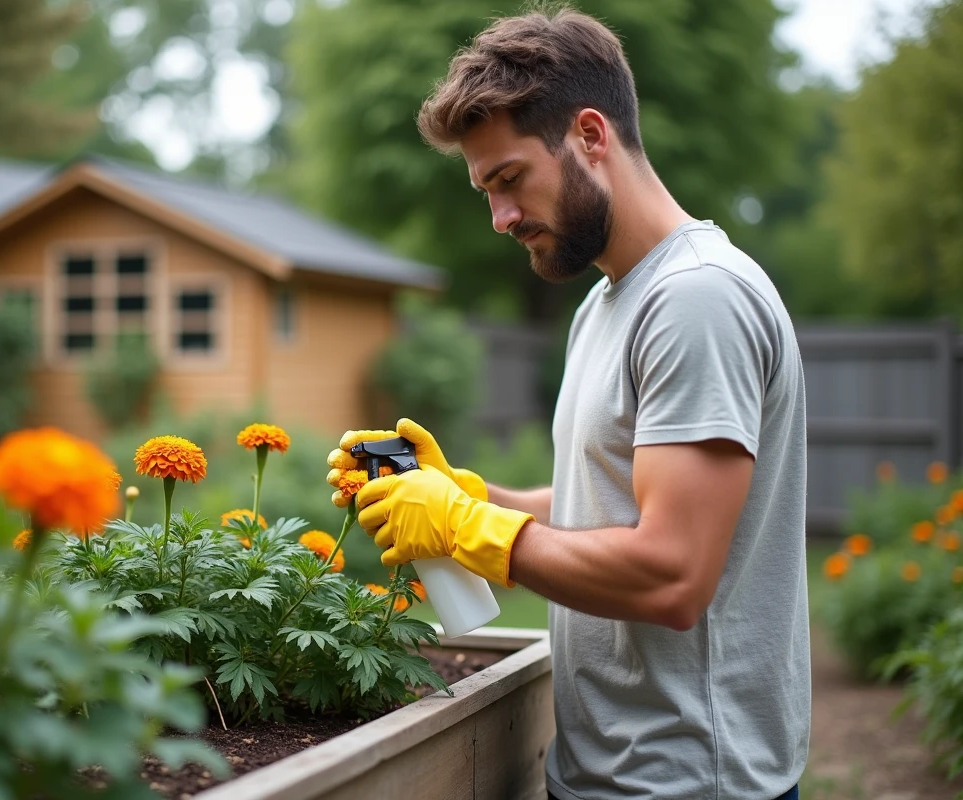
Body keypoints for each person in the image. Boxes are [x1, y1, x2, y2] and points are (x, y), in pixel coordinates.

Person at [325, 6, 809, 800]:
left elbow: (670, 576)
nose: (501, 218)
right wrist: (475, 496)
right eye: (486, 191)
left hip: (688, 785)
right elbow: (610, 503)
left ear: (590, 135)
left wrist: (472, 530)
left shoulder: (697, 301)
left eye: (509, 179)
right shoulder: (611, 302)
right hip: (603, 772)